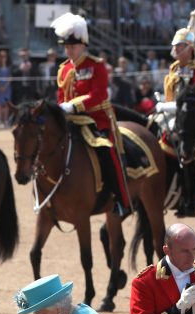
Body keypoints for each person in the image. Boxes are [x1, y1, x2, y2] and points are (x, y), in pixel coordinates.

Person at [52, 12, 132, 217]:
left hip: (97, 118)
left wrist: (73, 106)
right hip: (70, 118)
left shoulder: (96, 65)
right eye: (66, 47)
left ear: (83, 45)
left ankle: (122, 199)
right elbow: (61, 95)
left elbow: (98, 95)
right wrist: (62, 108)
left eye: (73, 46)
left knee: (107, 150)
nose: (69, 50)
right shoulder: (63, 69)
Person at [154, 10, 195, 218]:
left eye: (180, 46)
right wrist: (163, 103)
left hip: (191, 118)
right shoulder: (174, 67)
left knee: (184, 150)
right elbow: (171, 93)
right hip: (170, 114)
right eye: (175, 46)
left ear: (189, 49)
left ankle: (190, 197)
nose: (176, 50)